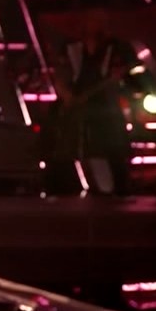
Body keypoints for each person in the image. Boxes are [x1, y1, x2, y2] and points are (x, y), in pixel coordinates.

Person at [47, 11, 134, 197]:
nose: (95, 24)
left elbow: (125, 70)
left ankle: (118, 188)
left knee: (111, 145)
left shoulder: (117, 47)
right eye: (92, 20)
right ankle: (63, 187)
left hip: (104, 102)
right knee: (66, 145)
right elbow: (61, 73)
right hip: (75, 100)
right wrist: (66, 94)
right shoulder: (72, 46)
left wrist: (118, 77)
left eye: (100, 20)